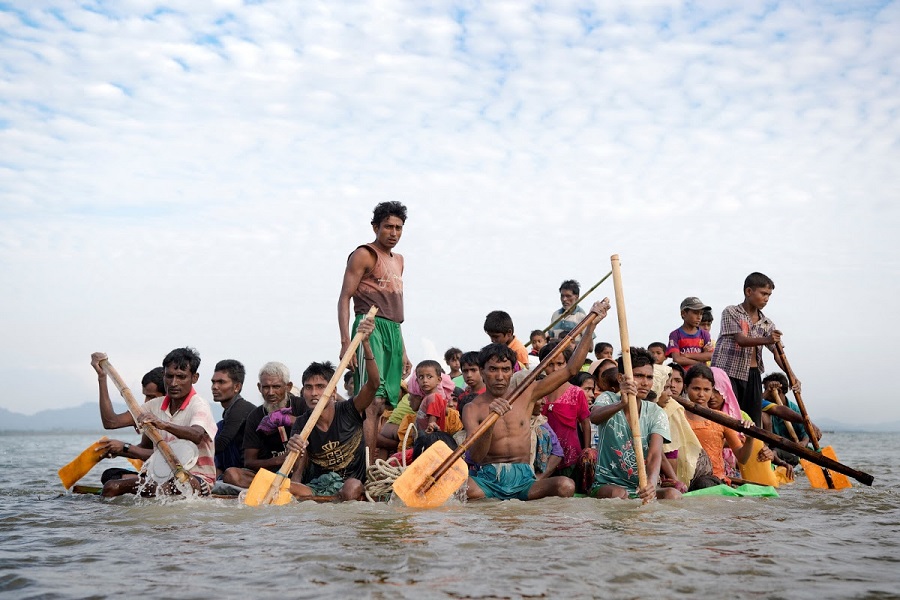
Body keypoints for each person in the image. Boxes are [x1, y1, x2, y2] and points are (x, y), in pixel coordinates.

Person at [462, 299, 610, 502]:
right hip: (488, 479)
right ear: (482, 372)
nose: (499, 376)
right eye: (493, 369)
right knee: (460, 489)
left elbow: (571, 370)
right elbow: (477, 457)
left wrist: (591, 324)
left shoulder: (527, 393)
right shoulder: (472, 408)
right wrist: (490, 421)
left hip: (524, 478)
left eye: (505, 370)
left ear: (511, 371)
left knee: (565, 486)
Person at [338, 201, 412, 468]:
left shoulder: (399, 261)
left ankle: (370, 462)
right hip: (369, 327)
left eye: (399, 228)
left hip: (393, 329)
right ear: (375, 227)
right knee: (371, 399)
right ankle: (366, 467)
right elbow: (344, 297)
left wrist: (403, 350)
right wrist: (346, 341)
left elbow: (396, 311)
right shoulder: (364, 254)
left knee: (384, 404)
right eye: (388, 227)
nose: (393, 232)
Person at [92, 348, 218, 497]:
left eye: (181, 377)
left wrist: (163, 424)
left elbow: (196, 434)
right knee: (111, 486)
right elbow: (111, 422)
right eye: (169, 376)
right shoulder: (154, 405)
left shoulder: (199, 405)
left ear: (194, 378)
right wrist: (102, 377)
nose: (173, 383)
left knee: (162, 487)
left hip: (196, 479)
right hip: (161, 477)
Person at [287, 317, 379, 501]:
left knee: (351, 488)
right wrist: (293, 448)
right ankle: (324, 499)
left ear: (333, 390)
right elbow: (296, 470)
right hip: (318, 485)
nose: (314, 393)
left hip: (352, 484)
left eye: (321, 386)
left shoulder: (349, 409)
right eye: (308, 387)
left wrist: (366, 344)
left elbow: (374, 384)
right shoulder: (302, 423)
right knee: (288, 487)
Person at [590, 347, 679, 501]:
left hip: (639, 487)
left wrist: (650, 484)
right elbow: (594, 417)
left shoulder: (656, 412)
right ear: (621, 378)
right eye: (638, 376)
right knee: (619, 495)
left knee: (673, 495)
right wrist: (622, 404)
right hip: (607, 484)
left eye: (649, 377)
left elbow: (654, 455)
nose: (645, 383)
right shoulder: (608, 399)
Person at [711, 272, 792, 426]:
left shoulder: (767, 323)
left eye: (769, 295)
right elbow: (741, 340)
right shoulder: (731, 312)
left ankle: (752, 447)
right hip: (728, 372)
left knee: (753, 420)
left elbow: (777, 353)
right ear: (749, 292)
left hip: (753, 374)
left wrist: (791, 375)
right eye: (763, 293)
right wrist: (767, 339)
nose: (766, 299)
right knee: (729, 415)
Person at [221, 362, 308, 488]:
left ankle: (294, 485)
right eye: (266, 387)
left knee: (300, 445)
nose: (271, 392)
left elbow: (318, 430)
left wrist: (290, 420)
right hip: (271, 475)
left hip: (302, 471)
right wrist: (279, 460)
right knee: (231, 474)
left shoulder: (301, 405)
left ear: (288, 387)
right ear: (259, 387)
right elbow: (249, 462)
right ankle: (287, 488)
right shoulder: (255, 417)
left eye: (276, 386)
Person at [683, 364, 773, 481]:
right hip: (685, 479)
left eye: (706, 390)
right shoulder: (677, 415)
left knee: (705, 483)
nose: (701, 394)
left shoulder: (722, 419)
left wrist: (749, 439)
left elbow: (742, 458)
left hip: (715, 480)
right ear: (686, 388)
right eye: (696, 389)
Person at [92, 363, 165, 485]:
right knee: (110, 475)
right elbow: (111, 422)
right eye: (145, 396)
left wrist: (125, 447)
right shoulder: (146, 412)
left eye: (151, 397)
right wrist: (102, 377)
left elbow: (165, 456)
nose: (146, 401)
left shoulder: (175, 416)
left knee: (114, 483)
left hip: (172, 475)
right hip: (154, 473)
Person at [538, 341, 593, 480]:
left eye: (560, 364)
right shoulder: (536, 392)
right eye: (550, 364)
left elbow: (585, 423)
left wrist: (586, 452)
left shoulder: (576, 393)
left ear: (568, 364)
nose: (555, 369)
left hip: (570, 456)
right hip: (542, 456)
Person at [210, 359, 256, 476]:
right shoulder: (229, 412)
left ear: (236, 387)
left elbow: (220, 445)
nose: (215, 387)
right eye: (213, 382)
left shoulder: (240, 409)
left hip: (249, 470)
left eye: (221, 382)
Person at [666, 297, 715, 368]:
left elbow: (710, 356)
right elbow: (677, 359)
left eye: (701, 314)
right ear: (683, 313)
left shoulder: (704, 334)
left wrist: (687, 355)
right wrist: (700, 360)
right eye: (695, 313)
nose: (699, 317)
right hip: (684, 376)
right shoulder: (675, 334)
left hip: (700, 374)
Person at [414, 360, 449, 433]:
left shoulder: (433, 397)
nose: (425, 380)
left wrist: (431, 428)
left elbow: (432, 422)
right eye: (421, 377)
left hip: (428, 436)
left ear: (439, 380)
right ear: (417, 381)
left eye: (429, 377)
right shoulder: (430, 397)